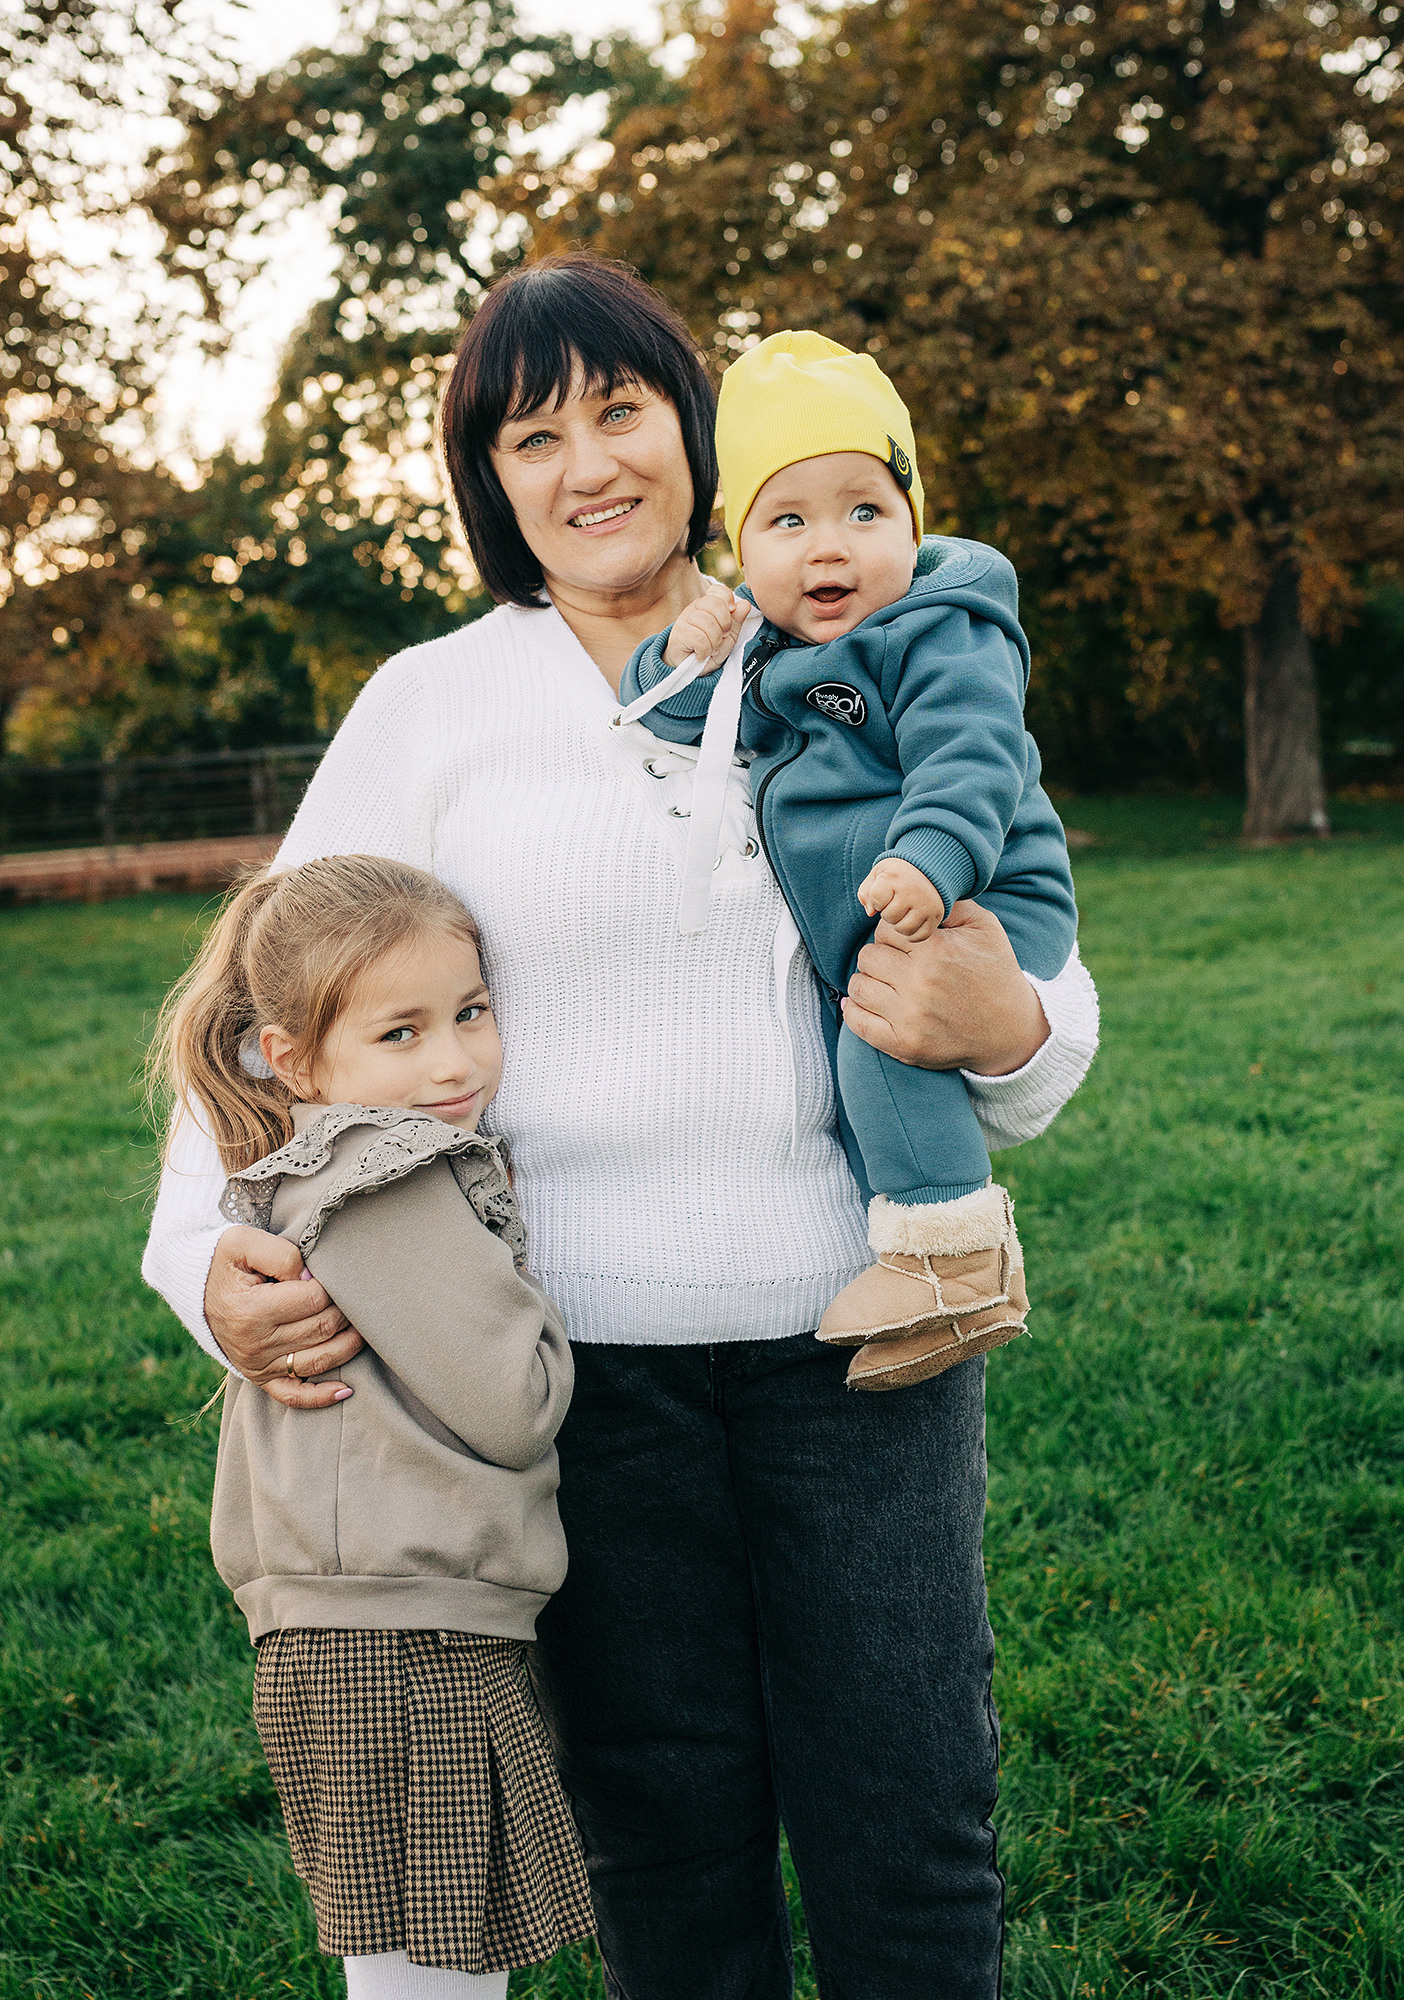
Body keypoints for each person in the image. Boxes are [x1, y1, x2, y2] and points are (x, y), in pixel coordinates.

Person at [142, 254, 1101, 2000]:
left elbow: (1027, 964)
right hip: (576, 1364)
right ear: (490, 484)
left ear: (694, 430)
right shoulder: (436, 704)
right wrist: (210, 1262)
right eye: (532, 436)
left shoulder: (840, 632)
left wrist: (1014, 1028)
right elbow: (255, 1001)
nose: (586, 463)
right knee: (664, 1827)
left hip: (858, 1338)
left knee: (908, 1818)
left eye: (621, 409)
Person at [147, 854, 591, 2000]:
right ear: (290, 1055)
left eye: (471, 1012)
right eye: (400, 1032)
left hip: (370, 1614)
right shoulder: (387, 1171)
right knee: (430, 1968)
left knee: (410, 1950)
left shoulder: (325, 1158)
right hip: (404, 1629)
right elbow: (514, 1401)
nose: (452, 1060)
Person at [621, 330, 1079, 1390]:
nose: (829, 548)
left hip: (974, 884)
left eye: (864, 512)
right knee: (859, 1047)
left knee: (878, 1041)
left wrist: (930, 860)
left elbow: (971, 754)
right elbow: (677, 714)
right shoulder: (771, 648)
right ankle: (935, 1276)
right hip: (881, 911)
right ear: (741, 547)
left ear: (914, 523)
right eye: (788, 521)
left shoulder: (940, 631)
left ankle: (955, 1256)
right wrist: (683, 647)